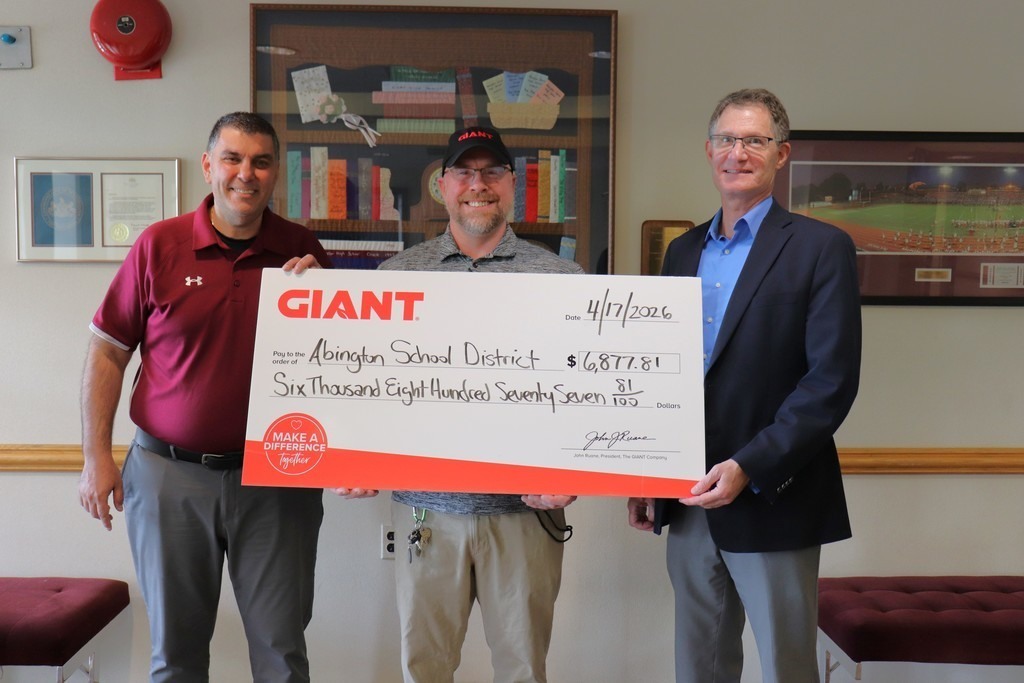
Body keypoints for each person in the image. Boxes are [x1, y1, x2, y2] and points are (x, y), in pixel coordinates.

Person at [78, 112, 331, 683]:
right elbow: (107, 352)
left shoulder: (302, 251)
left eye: (261, 162)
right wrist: (96, 457)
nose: (246, 174)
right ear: (209, 165)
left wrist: (326, 296)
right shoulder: (158, 245)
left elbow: (341, 364)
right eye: (233, 159)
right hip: (168, 476)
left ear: (275, 173)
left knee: (283, 655)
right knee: (176, 656)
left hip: (277, 481)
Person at [627, 89, 862, 683]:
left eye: (755, 140)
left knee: (786, 668)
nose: (739, 152)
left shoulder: (820, 248)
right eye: (727, 140)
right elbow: (661, 373)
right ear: (709, 151)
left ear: (782, 154)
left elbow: (830, 382)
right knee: (698, 668)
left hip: (774, 495)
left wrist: (748, 466)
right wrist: (646, 475)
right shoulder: (682, 251)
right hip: (688, 498)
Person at [336, 126, 583, 683]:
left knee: (523, 670)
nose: (478, 184)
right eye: (465, 173)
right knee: (424, 669)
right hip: (427, 514)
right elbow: (367, 388)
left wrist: (573, 470)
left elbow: (583, 393)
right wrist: (351, 458)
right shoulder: (399, 275)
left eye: (492, 171)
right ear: (443, 185)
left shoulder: (562, 277)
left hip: (527, 515)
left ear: (512, 184)